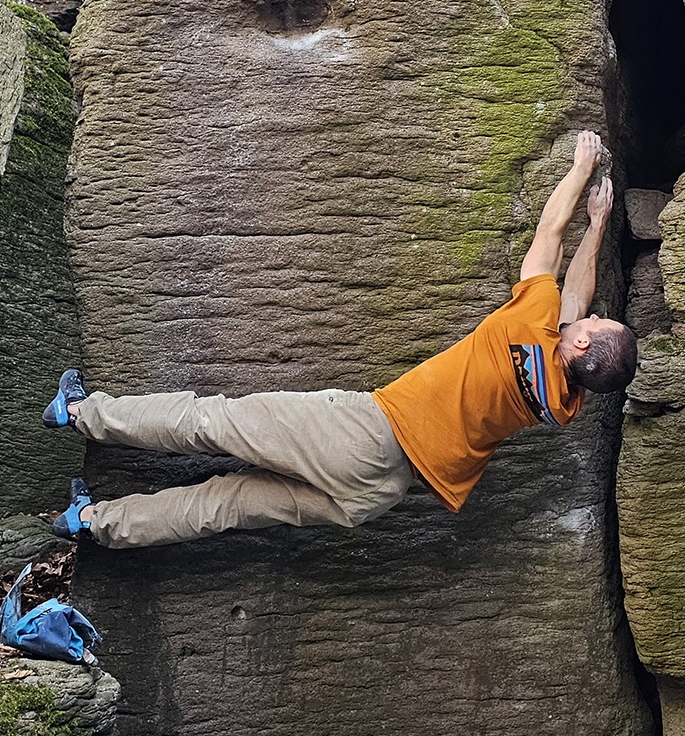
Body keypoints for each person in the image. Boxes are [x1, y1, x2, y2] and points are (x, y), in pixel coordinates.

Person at [45, 130, 637, 548]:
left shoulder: (524, 325)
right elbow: (578, 299)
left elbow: (548, 233)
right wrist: (602, 223)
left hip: (365, 434)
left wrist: (580, 170)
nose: (581, 317)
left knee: (211, 423)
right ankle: (93, 522)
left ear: (580, 345)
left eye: (588, 326)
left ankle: (79, 412)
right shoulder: (561, 402)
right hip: (378, 493)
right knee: (221, 507)